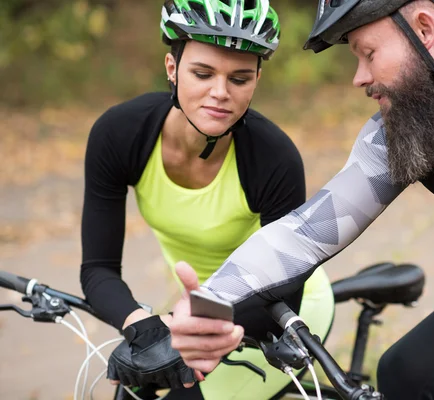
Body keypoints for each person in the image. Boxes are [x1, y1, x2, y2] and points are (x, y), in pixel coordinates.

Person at [168, 0, 434, 399]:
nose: (359, 78)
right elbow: (303, 234)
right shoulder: (411, 124)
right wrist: (204, 307)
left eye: (368, 53)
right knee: (407, 376)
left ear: (424, 28)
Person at [79, 0, 334, 398]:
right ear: (171, 68)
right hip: (187, 311)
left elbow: (282, 292)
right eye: (202, 73)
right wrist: (140, 324)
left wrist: (180, 325)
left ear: (256, 80)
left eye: (240, 78)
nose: (220, 94)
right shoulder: (120, 135)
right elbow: (98, 269)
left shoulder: (274, 159)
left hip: (273, 310)